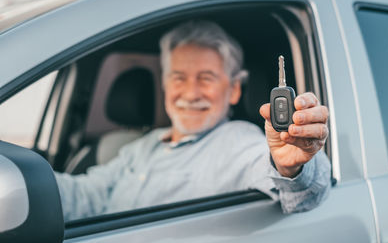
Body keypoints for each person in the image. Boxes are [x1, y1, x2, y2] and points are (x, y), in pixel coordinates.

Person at [56, 20, 331, 221]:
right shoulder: (142, 147)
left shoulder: (237, 142)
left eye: (206, 78)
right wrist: (30, 183)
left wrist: (292, 167)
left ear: (234, 89)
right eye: (179, 78)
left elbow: (303, 195)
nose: (190, 93)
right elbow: (87, 195)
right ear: (165, 85)